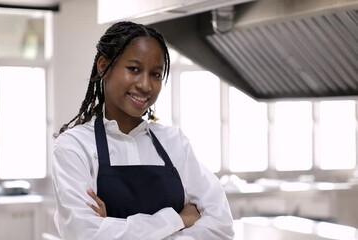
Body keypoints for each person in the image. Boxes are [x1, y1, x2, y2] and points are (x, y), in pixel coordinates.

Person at [52, 21, 234, 240]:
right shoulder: (75, 146)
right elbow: (85, 235)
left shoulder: (175, 143)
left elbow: (221, 226)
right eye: (134, 69)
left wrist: (114, 226)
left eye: (156, 74)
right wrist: (177, 220)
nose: (146, 85)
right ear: (103, 66)